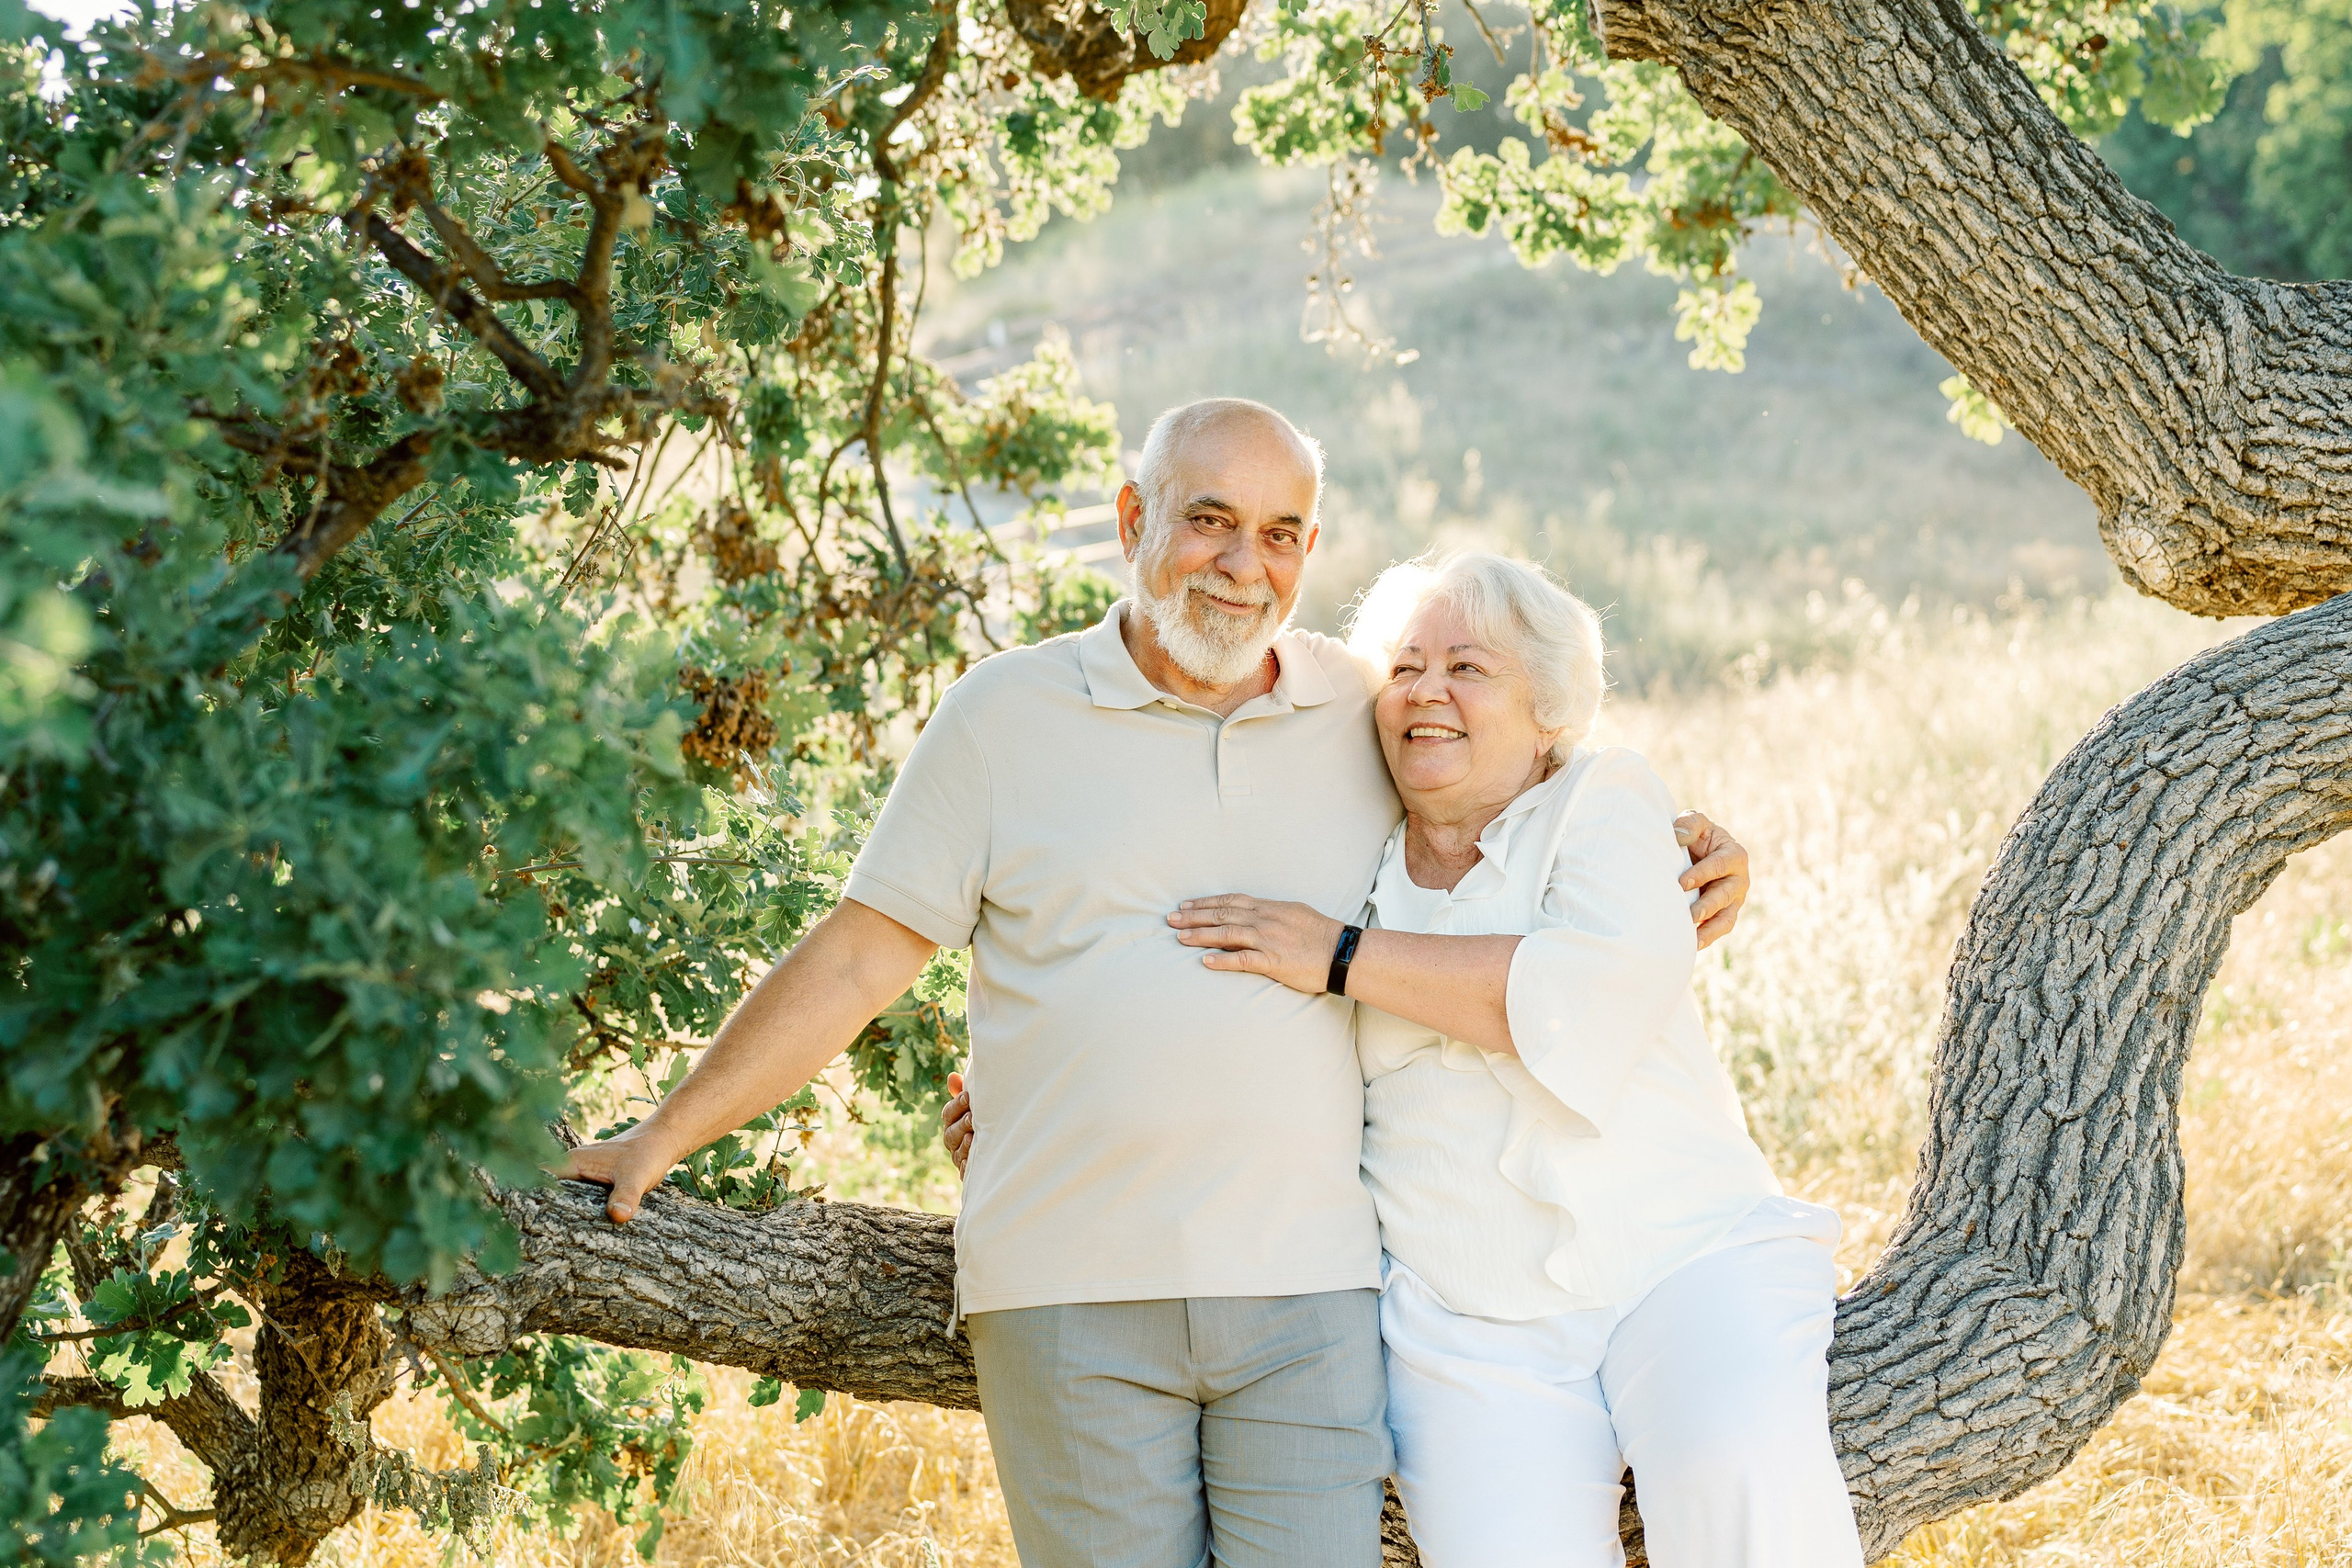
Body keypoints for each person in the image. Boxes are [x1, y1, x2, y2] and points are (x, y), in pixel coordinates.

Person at [563, 399, 1751, 1568]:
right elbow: (857, 958)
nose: (1244, 567)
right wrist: (664, 1133)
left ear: (1310, 553)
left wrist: (1680, 847)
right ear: (1133, 515)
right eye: (1210, 520)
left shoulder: (1360, 706)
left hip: (1313, 1298)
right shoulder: (1001, 719)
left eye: (1283, 533)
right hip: (1068, 1295)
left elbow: (1518, 768)